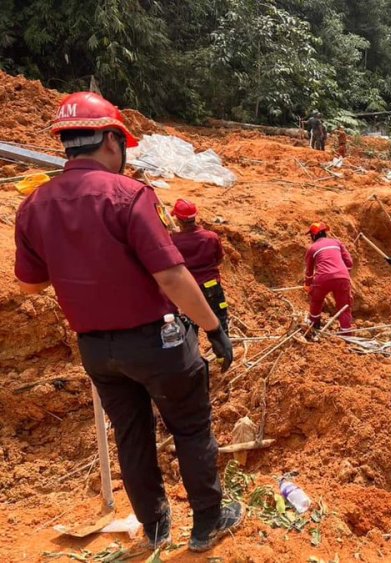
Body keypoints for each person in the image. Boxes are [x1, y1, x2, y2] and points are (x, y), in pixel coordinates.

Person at [14, 92, 242, 552]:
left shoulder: (34, 205)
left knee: (132, 435)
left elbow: (30, 286)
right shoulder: (129, 195)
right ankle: (207, 523)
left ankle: (156, 529)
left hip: (97, 350)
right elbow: (173, 276)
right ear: (113, 141)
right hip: (157, 342)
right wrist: (214, 328)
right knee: (191, 427)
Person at [170, 199, 229, 332]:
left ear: (178, 219)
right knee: (221, 320)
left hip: (190, 288)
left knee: (191, 325)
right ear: (195, 216)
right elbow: (220, 260)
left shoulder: (173, 241)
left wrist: (175, 235)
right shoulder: (211, 237)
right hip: (212, 285)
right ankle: (224, 349)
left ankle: (194, 351)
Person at [304, 222, 354, 331]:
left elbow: (309, 271)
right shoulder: (336, 242)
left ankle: (314, 325)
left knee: (316, 300)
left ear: (313, 235)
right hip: (342, 277)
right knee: (344, 307)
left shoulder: (312, 248)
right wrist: (342, 274)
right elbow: (349, 262)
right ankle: (347, 335)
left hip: (322, 278)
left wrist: (308, 285)